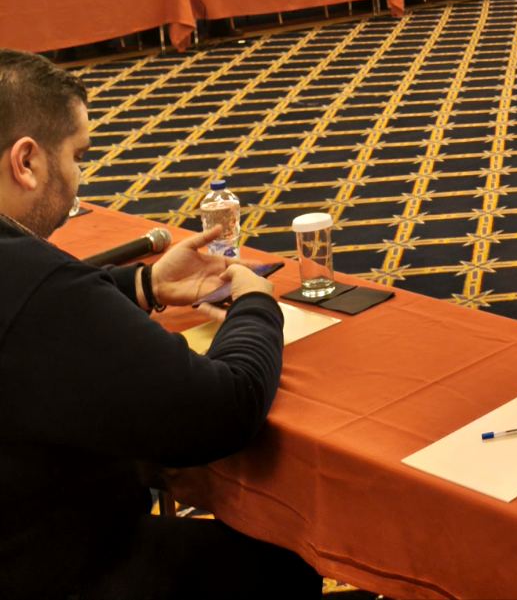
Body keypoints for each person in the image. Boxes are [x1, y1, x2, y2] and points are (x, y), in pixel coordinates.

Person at [0, 49, 320, 598]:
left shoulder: (35, 290)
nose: (79, 179)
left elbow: (39, 322)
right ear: (26, 161)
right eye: (78, 156)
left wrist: (143, 285)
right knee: (283, 569)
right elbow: (223, 410)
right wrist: (255, 304)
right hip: (62, 568)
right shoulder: (33, 282)